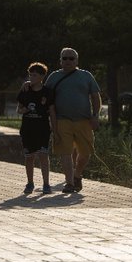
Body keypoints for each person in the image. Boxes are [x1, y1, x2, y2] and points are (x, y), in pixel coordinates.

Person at [45, 47, 102, 194]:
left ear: (77, 60)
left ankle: (77, 175)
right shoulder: (54, 77)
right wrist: (28, 85)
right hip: (62, 120)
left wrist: (95, 115)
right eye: (65, 58)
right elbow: (43, 93)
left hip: (84, 120)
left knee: (86, 152)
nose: (68, 61)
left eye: (71, 58)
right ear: (60, 61)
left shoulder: (86, 76)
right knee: (65, 152)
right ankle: (69, 183)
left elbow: (95, 97)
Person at [17, 62, 54, 195]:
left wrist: (54, 128)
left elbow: (52, 111)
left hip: (43, 128)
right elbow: (18, 109)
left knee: (43, 156)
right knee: (29, 157)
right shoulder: (25, 90)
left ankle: (46, 184)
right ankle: (30, 183)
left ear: (42, 76)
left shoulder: (47, 92)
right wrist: (24, 109)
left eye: (34, 75)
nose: (31, 77)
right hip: (27, 128)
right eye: (30, 74)